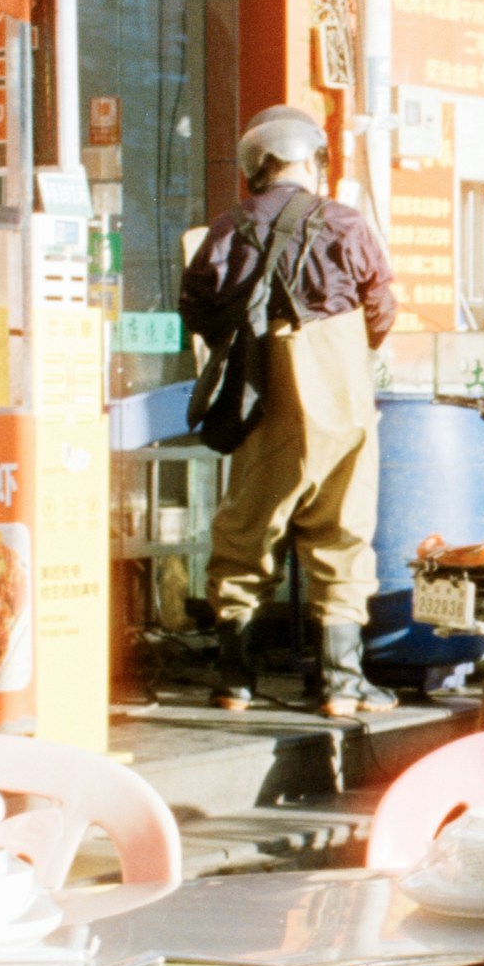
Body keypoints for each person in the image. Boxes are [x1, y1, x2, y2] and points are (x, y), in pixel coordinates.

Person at [180, 104, 399, 719]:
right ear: (309, 158)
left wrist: (244, 339)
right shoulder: (346, 222)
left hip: (260, 390)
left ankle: (235, 679)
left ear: (257, 166)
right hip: (341, 387)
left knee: (247, 530)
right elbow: (380, 306)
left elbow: (194, 306)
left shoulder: (226, 228)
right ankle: (342, 684)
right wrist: (348, 346)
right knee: (344, 531)